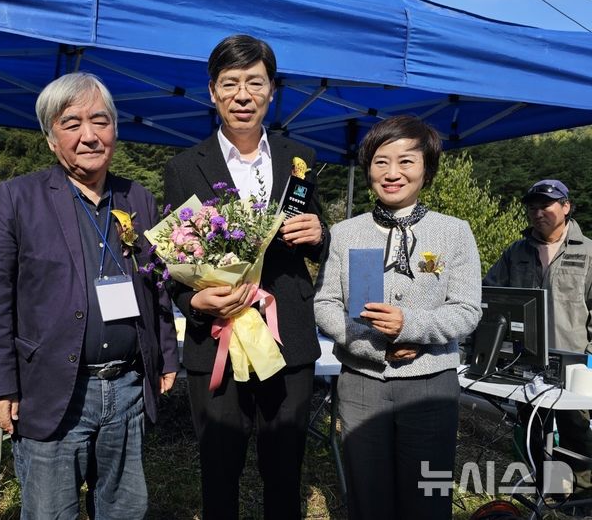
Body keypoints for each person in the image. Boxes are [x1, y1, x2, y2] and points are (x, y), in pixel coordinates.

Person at [0, 72, 179, 519]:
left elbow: (157, 284)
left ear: (115, 131)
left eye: (100, 121)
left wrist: (166, 353)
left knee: (123, 510)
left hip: (126, 387)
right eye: (71, 124)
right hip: (50, 388)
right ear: (51, 139)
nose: (89, 136)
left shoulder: (138, 197)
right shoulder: (17, 198)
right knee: (50, 512)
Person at [164, 34, 329, 520]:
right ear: (212, 92)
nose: (243, 95)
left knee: (284, 472)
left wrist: (319, 232)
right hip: (217, 336)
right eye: (230, 83)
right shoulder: (182, 167)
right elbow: (175, 257)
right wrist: (193, 303)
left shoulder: (299, 157)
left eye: (254, 83)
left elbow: (315, 235)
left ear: (271, 91)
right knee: (219, 471)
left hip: (287, 338)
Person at [314, 115, 482, 520]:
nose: (392, 173)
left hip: (431, 386)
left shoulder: (454, 232)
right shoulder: (344, 232)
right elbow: (324, 304)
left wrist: (412, 327)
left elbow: (467, 309)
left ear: (427, 168)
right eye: (380, 161)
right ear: (367, 167)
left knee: (428, 496)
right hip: (361, 384)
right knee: (367, 496)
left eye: (406, 161)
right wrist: (369, 343)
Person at [484, 179, 592, 494]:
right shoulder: (516, 251)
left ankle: (584, 497)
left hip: (573, 364)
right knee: (532, 426)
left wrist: (588, 356)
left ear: (566, 207)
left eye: (546, 205)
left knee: (576, 430)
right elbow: (492, 294)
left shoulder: (587, 253)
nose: (538, 212)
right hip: (526, 358)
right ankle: (549, 490)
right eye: (532, 207)